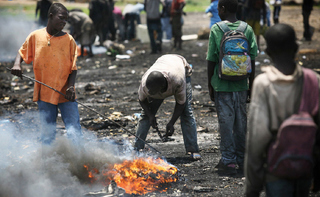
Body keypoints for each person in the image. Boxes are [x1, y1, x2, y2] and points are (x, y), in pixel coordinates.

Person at [244, 23, 320, 197]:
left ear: (268, 52)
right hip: (306, 167)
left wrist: (252, 187)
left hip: (276, 171)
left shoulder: (264, 84)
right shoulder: (313, 80)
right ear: (296, 48)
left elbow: (257, 139)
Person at [10, 3, 82, 144]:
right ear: (51, 16)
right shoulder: (35, 36)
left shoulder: (69, 40)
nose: (64, 22)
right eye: (61, 18)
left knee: (74, 131)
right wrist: (17, 64)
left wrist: (71, 87)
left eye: (66, 19)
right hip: (45, 94)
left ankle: (79, 161)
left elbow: (73, 68)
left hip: (66, 93)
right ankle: (47, 162)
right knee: (47, 133)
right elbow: (21, 52)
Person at [206, 0, 258, 176]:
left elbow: (211, 59)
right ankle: (242, 160)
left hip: (222, 84)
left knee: (226, 124)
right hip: (242, 83)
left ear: (222, 9)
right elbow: (252, 59)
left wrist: (210, 84)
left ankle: (228, 161)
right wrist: (251, 84)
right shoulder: (247, 29)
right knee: (241, 123)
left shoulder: (216, 29)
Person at [134, 54, 201, 161]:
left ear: (160, 88)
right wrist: (151, 116)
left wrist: (171, 123)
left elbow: (181, 103)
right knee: (145, 115)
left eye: (153, 91)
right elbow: (142, 100)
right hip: (163, 63)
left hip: (180, 66)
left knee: (186, 113)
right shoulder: (145, 84)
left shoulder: (178, 80)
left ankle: (193, 149)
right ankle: (137, 149)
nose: (150, 93)